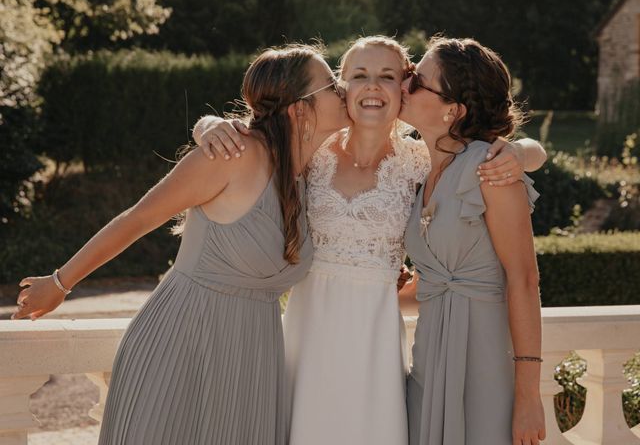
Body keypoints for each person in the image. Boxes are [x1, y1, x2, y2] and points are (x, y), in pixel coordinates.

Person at [194, 36, 547, 444]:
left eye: (398, 77)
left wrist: (521, 151)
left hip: (380, 338)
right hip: (311, 330)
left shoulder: (421, 163)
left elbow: (517, 262)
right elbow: (259, 134)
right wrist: (209, 125)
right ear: (340, 88)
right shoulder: (313, 154)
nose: (382, 86)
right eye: (359, 75)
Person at [12, 44, 352, 445]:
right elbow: (136, 219)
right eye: (331, 85)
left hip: (253, 359)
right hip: (181, 344)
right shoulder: (232, 155)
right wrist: (59, 282)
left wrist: (206, 121)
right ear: (299, 109)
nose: (343, 89)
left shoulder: (309, 173)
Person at [398, 36, 546, 445]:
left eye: (416, 80)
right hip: (427, 360)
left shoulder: (490, 169)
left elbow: (524, 280)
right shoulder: (416, 170)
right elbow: (435, 285)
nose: (402, 85)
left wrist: (529, 396)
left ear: (454, 109)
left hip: (485, 363)